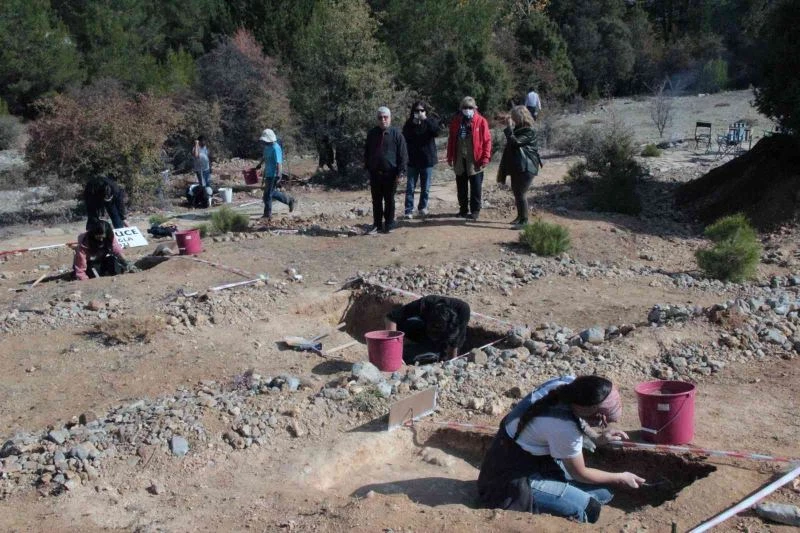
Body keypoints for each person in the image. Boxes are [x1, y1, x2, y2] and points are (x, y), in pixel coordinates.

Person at [477, 375, 645, 524]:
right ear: (592, 412)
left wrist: (596, 437)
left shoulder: (569, 385)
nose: (603, 423)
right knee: (589, 509)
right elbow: (580, 473)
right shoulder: (564, 428)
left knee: (604, 493)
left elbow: (578, 415)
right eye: (602, 419)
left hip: (533, 458)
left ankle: (558, 492)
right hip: (509, 478)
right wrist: (620, 477)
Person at [385, 295, 470, 364]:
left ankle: (431, 349)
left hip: (442, 337)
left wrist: (451, 363)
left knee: (434, 354)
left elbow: (456, 343)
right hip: (419, 326)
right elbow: (390, 318)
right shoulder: (424, 304)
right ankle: (408, 347)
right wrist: (393, 351)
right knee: (404, 324)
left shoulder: (463, 310)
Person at [446, 96, 491, 221]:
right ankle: (463, 210)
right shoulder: (456, 122)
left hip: (475, 159)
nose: (467, 110)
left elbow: (487, 141)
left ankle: (475, 211)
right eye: (465, 107)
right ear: (461, 108)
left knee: (476, 187)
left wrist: (486, 157)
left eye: (470, 107)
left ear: (475, 108)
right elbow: (451, 140)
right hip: (460, 158)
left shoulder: (481, 121)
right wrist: (449, 156)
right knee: (461, 186)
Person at [364, 106, 408, 234]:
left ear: (390, 118)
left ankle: (389, 224)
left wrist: (401, 172)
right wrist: (367, 167)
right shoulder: (372, 134)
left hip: (391, 174)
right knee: (376, 200)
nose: (383, 120)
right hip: (375, 174)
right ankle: (377, 225)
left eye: (385, 117)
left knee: (389, 200)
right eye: (380, 117)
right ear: (377, 119)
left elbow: (403, 155)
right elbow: (367, 152)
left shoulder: (397, 134)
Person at [497, 106, 543, 228]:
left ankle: (524, 221)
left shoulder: (529, 131)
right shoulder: (518, 129)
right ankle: (520, 217)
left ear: (519, 117)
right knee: (517, 192)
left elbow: (515, 142)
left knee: (521, 192)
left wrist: (508, 128)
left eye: (514, 117)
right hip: (518, 166)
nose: (512, 119)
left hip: (527, 166)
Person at [401, 101, 440, 219]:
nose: (419, 113)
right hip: (412, 160)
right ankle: (408, 210)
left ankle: (423, 207)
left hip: (427, 160)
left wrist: (425, 120)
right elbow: (404, 137)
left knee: (425, 187)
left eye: (422, 110)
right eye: (417, 111)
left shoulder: (430, 121)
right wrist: (412, 124)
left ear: (425, 111)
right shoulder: (409, 123)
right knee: (410, 187)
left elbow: (436, 132)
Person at [254, 128, 295, 221]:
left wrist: (279, 174)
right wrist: (260, 164)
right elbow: (265, 157)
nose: (264, 142)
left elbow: (278, 163)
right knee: (270, 193)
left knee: (267, 195)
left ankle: (267, 215)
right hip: (268, 173)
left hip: (274, 174)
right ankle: (289, 200)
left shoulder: (276, 148)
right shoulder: (267, 147)